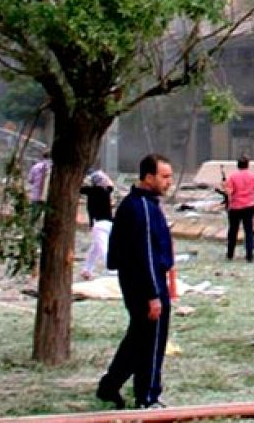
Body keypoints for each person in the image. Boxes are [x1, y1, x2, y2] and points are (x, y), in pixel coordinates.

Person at [98, 154, 178, 410]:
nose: (169, 182)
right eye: (164, 177)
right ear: (148, 177)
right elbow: (146, 255)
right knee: (152, 341)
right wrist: (154, 295)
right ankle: (148, 396)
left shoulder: (141, 204)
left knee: (137, 339)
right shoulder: (141, 208)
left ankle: (109, 386)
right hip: (145, 286)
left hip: (138, 283)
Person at [222, 156, 254, 262]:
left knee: (233, 231)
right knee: (248, 231)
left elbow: (229, 193)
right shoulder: (253, 176)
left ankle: (230, 254)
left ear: (237, 165)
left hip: (235, 207)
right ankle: (250, 255)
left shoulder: (232, 177)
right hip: (249, 207)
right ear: (248, 164)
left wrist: (228, 205)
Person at [80, 166, 116, 280]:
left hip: (98, 224)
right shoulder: (106, 191)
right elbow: (111, 185)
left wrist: (88, 176)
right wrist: (102, 174)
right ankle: (87, 269)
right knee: (96, 249)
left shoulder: (91, 191)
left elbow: (79, 187)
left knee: (101, 247)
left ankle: (109, 268)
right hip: (109, 223)